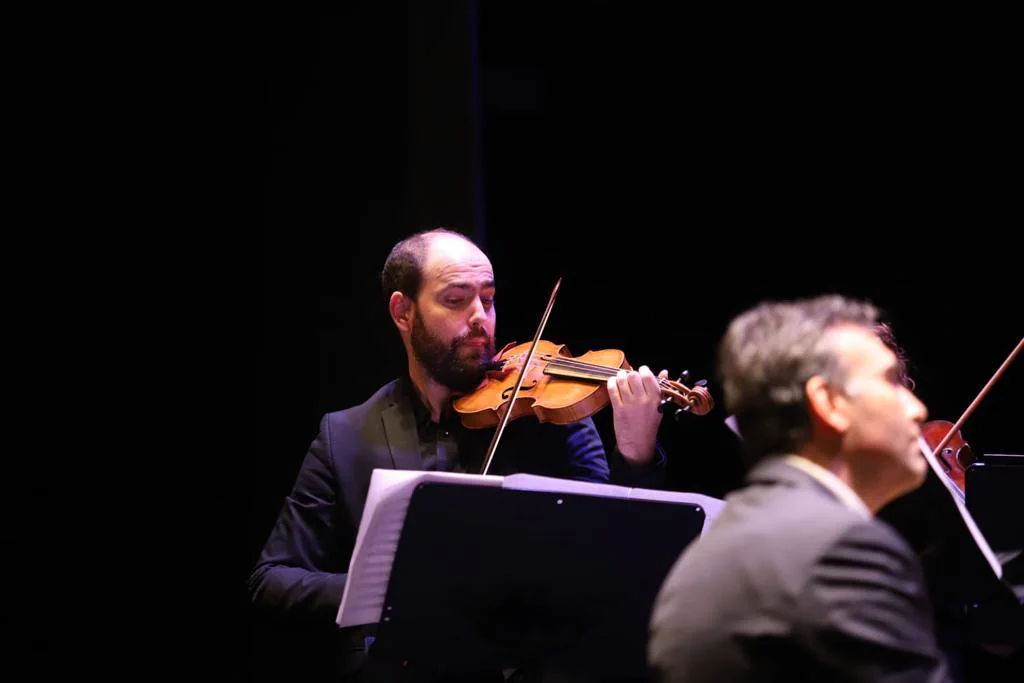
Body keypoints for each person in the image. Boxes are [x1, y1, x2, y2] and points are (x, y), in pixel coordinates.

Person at [248, 227, 671, 681]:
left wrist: (636, 456)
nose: (480, 319)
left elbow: (618, 552)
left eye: (487, 300)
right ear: (403, 312)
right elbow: (271, 578)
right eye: (456, 300)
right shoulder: (346, 434)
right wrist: (385, 590)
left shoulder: (547, 421)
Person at [647, 294, 951, 682]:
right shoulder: (844, 550)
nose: (917, 408)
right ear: (828, 402)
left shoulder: (718, 540)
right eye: (890, 382)